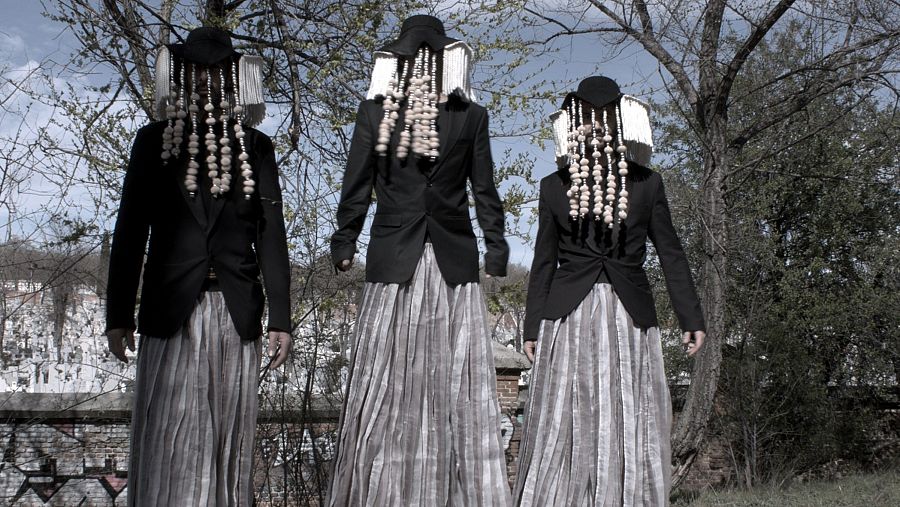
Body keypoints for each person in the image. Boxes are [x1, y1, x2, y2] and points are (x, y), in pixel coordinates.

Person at [327, 15, 512, 506]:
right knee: (388, 380)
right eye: (415, 58)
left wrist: (496, 247)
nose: (423, 66)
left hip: (453, 262)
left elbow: (485, 188)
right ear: (403, 64)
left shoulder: (471, 116)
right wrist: (344, 241)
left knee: (456, 382)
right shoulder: (374, 114)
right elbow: (356, 183)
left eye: (431, 58)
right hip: (394, 261)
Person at [104, 26, 292, 507]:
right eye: (197, 72)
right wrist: (118, 314)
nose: (207, 81)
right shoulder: (153, 143)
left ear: (233, 79)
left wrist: (282, 318)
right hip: (170, 312)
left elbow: (271, 234)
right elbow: (130, 231)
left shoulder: (256, 147)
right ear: (183, 76)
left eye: (217, 72)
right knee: (167, 443)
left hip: (235, 312)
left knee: (228, 443)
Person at [513, 76, 707, 506]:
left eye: (604, 118)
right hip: (567, 317)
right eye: (589, 118)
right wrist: (531, 326)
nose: (596, 126)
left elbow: (671, 253)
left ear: (619, 122)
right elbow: (543, 260)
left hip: (629, 316)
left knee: (629, 412)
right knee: (565, 414)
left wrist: (691, 317)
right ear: (575, 124)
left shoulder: (647, 183)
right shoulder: (553, 186)